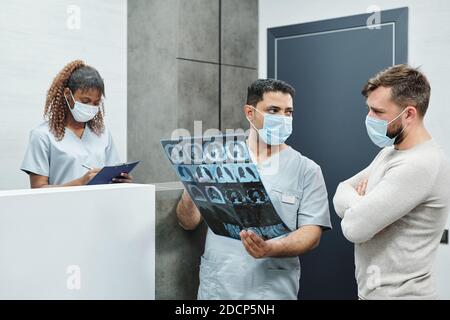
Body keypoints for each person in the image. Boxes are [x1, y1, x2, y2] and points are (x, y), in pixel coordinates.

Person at [176, 79, 332, 299]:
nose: (283, 119)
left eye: (288, 112)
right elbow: (187, 222)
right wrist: (192, 184)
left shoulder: (307, 169)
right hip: (219, 285)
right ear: (250, 113)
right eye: (273, 110)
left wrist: (270, 249)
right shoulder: (216, 158)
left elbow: (312, 234)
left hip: (271, 289)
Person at [333, 64, 450, 299]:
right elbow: (340, 191)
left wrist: (360, 212)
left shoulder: (421, 163)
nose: (369, 118)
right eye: (369, 109)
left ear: (408, 114)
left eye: (378, 112)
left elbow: (354, 228)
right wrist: (361, 203)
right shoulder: (391, 151)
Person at [21, 60, 132, 188]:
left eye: (96, 103)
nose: (91, 107)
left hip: (98, 206)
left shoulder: (102, 133)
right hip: (61, 207)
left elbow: (112, 175)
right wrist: (81, 182)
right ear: (67, 94)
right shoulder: (42, 135)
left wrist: (120, 180)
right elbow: (38, 189)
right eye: (85, 101)